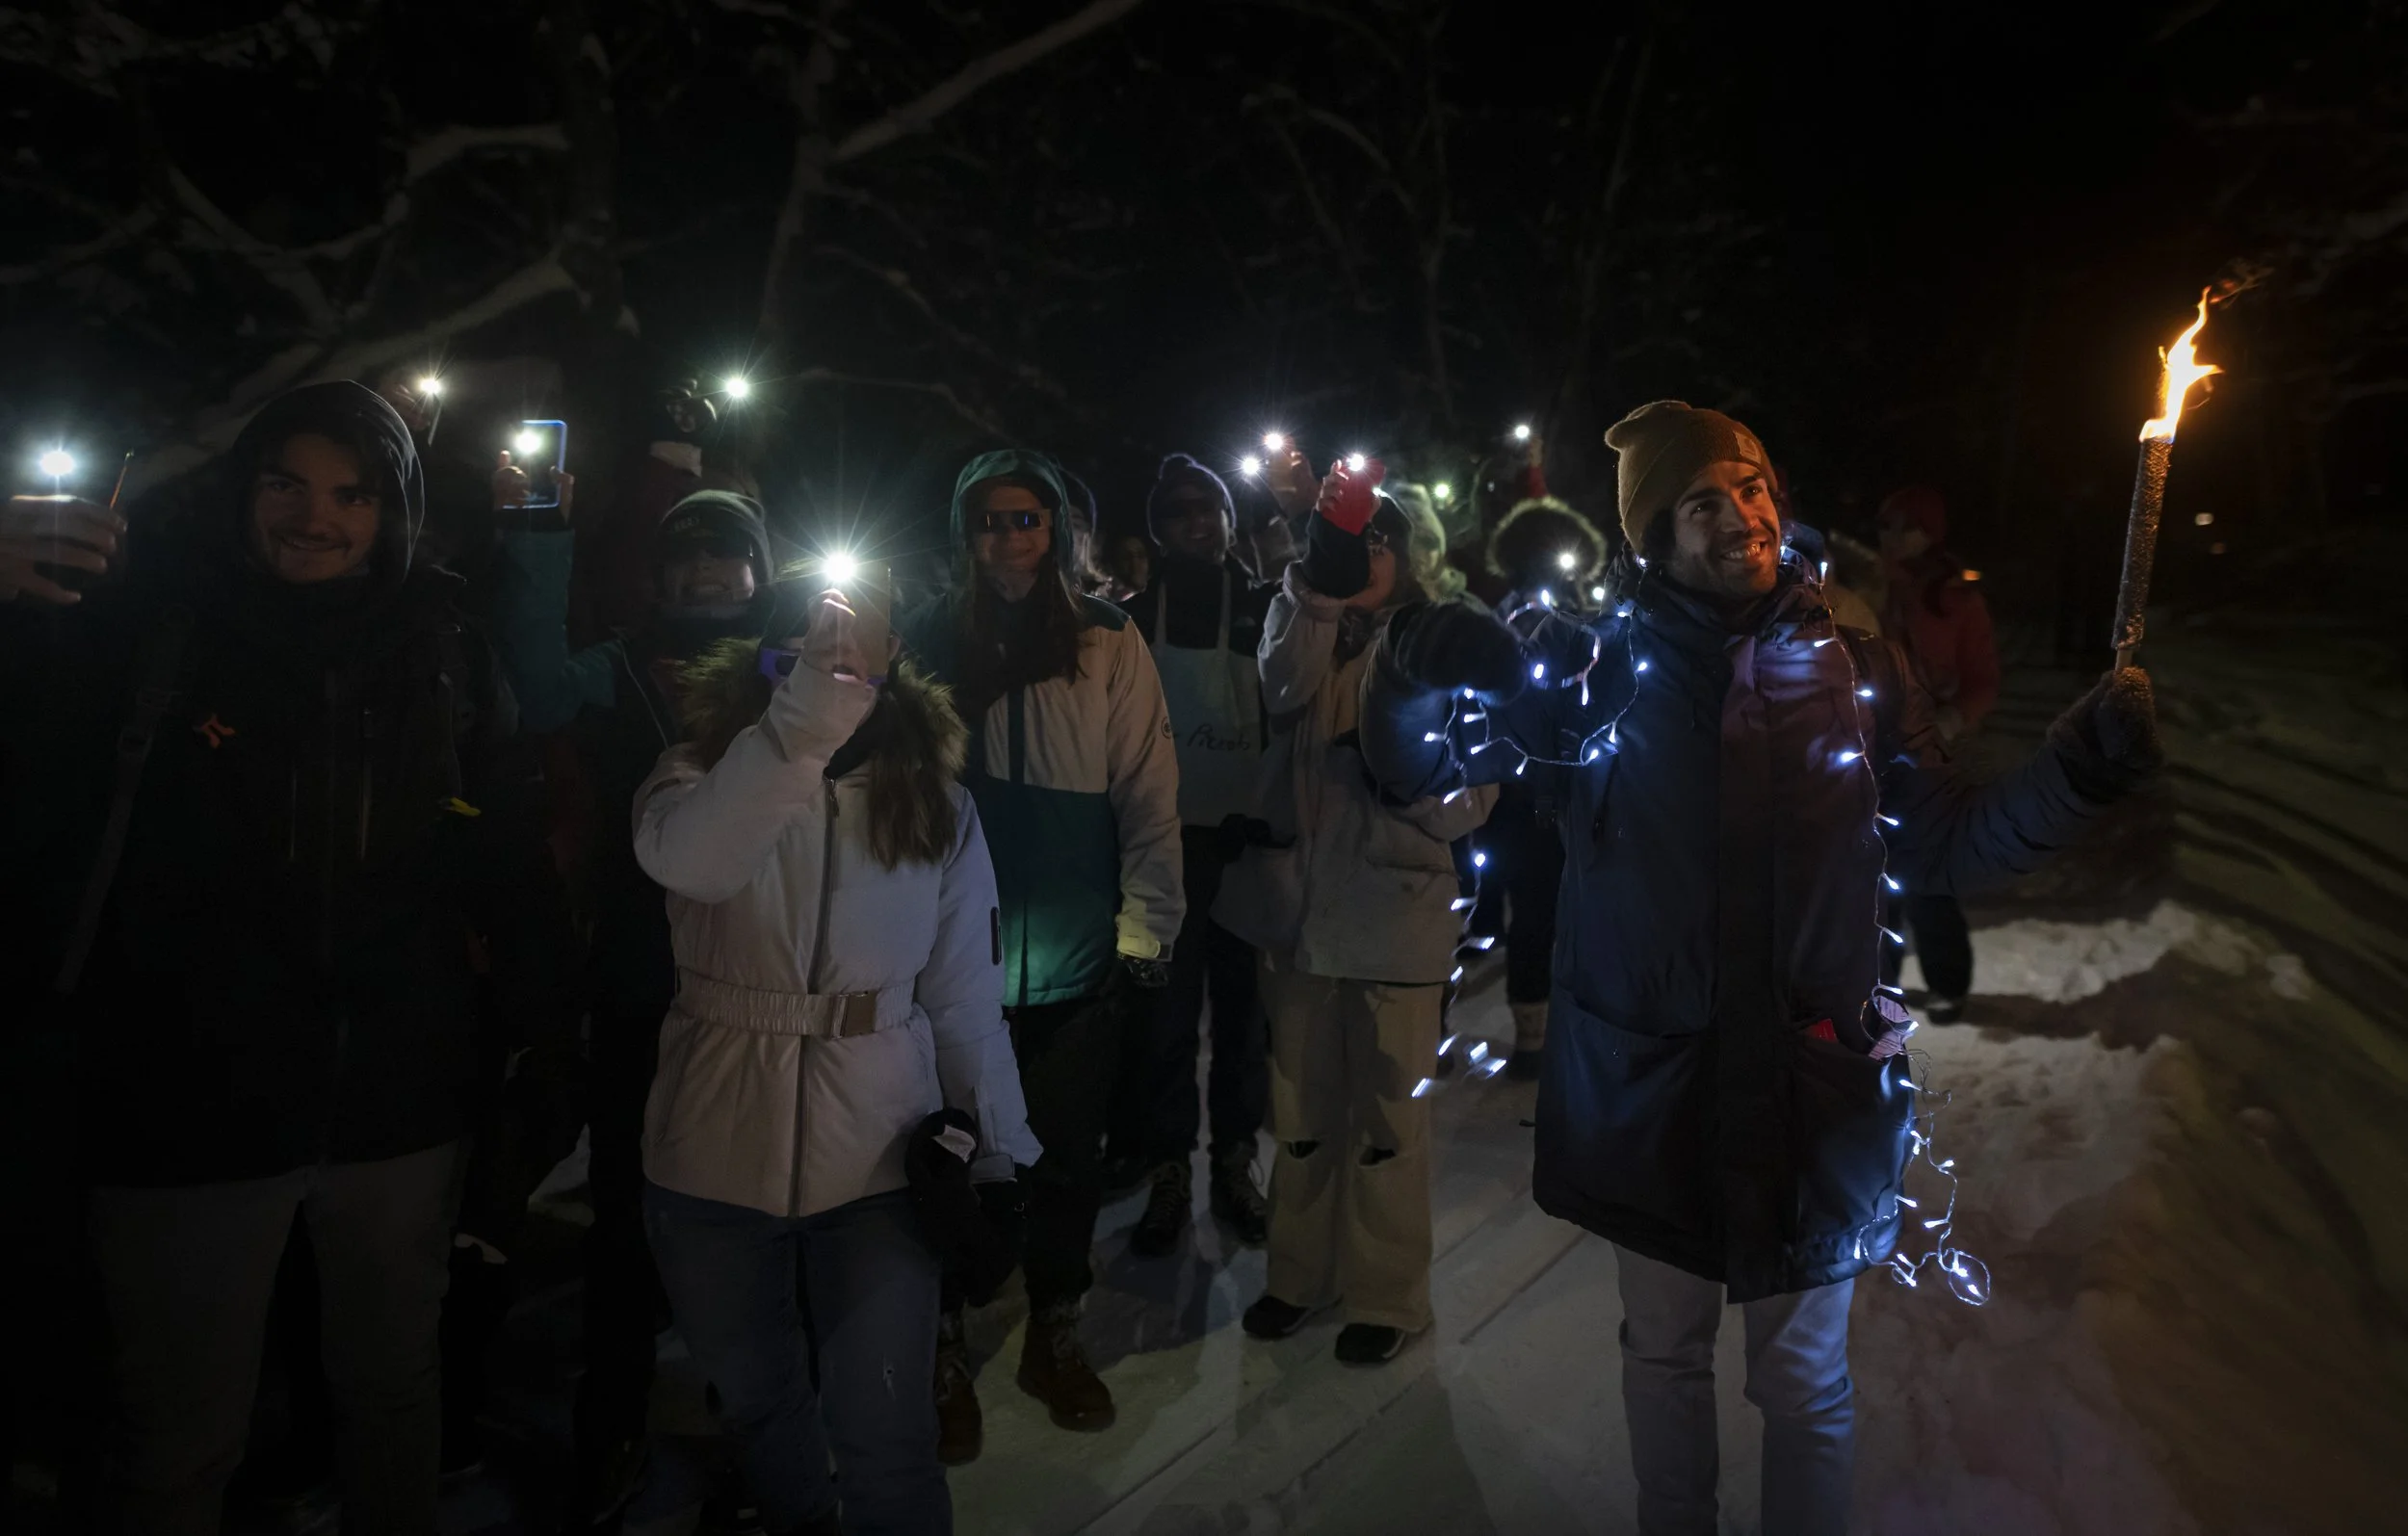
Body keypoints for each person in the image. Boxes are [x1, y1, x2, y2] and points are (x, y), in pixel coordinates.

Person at [1353, 401, 2162, 1534]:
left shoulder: (1853, 665)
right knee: (1666, 1352)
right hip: (1653, 1086)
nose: (1740, 515)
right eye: (1701, 501)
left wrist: (2076, 769)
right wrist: (1403, 672)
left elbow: (1946, 837)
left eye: (1750, 487)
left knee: (1805, 1384)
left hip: (1810, 1085)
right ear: (1649, 534)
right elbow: (1419, 781)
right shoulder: (1592, 678)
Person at [0, 380, 570, 1536]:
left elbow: (504, 850)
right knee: (179, 1433)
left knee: (392, 1394)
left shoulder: (439, 645)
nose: (317, 517)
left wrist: (544, 1039)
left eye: (352, 493)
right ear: (242, 488)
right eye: (287, 483)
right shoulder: (148, 624)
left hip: (398, 1112)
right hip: (188, 1113)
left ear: (394, 507)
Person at [631, 579, 1037, 1536]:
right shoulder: (692, 773)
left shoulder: (935, 804)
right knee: (762, 1399)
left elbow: (963, 993)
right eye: (806, 655)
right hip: (709, 1160)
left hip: (879, 1166)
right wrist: (799, 726)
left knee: (887, 1432)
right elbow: (696, 863)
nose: (836, 673)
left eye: (859, 655)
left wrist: (997, 1149)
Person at [487, 480, 778, 1524]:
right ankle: (608, 1420)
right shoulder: (614, 670)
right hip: (640, 983)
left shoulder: (788, 672)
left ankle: (758, 1425)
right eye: (687, 553)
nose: (708, 571)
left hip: (761, 986)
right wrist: (535, 536)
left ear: (762, 569)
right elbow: (528, 688)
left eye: (728, 553)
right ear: (656, 574)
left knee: (751, 1215)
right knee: (625, 1209)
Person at [896, 450, 1183, 1457]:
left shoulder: (1107, 640)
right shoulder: (923, 639)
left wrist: (1146, 924)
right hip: (946, 962)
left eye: (1027, 520)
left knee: (1064, 1158)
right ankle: (935, 1338)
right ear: (961, 532)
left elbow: (1148, 788)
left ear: (1055, 530)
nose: (1009, 539)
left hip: (1068, 952)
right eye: (989, 520)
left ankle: (1053, 1323)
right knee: (940, 1156)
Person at [1217, 455, 1497, 1367]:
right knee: (1299, 1112)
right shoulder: (1303, 615)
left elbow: (1478, 788)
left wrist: (1409, 793)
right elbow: (1281, 687)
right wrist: (1318, 588)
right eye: (1354, 538)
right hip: (1296, 913)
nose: (1369, 553)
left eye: (1383, 538)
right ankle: (1299, 1277)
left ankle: (1387, 1293)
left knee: (1387, 1119)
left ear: (1412, 549)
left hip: (1394, 913)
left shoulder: (1443, 637)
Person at [1113, 455, 1275, 1257]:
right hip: (1163, 850)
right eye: (1178, 513)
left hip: (1244, 846)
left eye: (1206, 509)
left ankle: (1237, 1160)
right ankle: (1169, 1167)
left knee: (1244, 1020)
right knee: (1166, 1023)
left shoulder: (1264, 607)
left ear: (1227, 518)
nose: (1195, 524)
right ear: (1159, 527)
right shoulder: (1135, 617)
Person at [1480, 495, 1610, 1077]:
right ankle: (1544, 1037)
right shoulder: (1523, 621)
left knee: (1539, 915)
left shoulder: (1506, 617)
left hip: (1535, 788)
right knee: (1546, 914)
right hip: (1543, 788)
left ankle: (1543, 1038)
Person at [1876, 484, 2002, 1022]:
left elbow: (1982, 679)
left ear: (1929, 533)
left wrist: (1953, 720)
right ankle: (1875, 987)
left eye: (1907, 525)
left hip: (1930, 755)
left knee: (1927, 872)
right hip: (1870, 748)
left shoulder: (1956, 599)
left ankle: (1949, 983)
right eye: (1888, 525)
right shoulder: (1865, 587)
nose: (1894, 536)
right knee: (1872, 874)